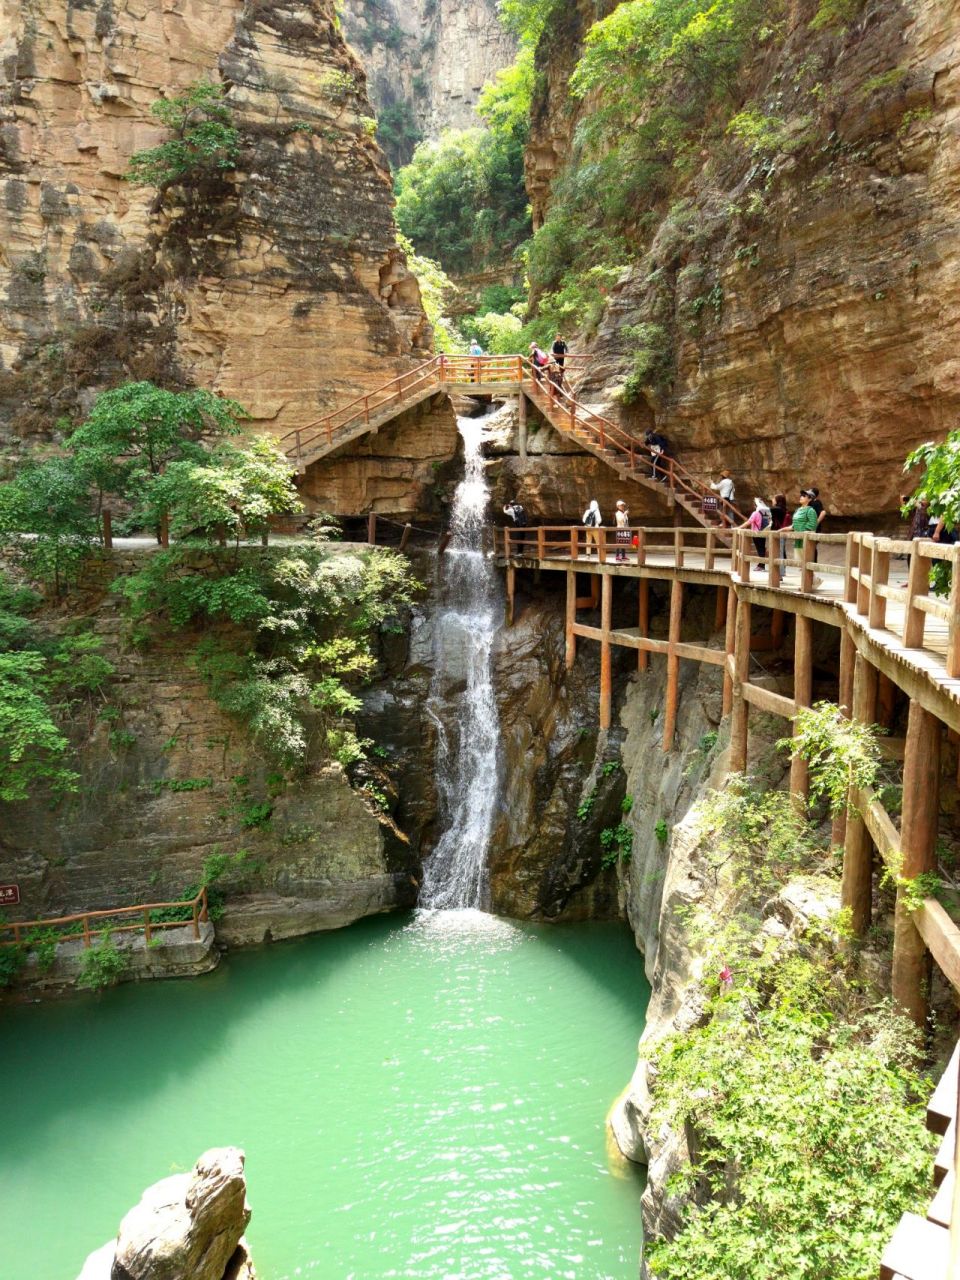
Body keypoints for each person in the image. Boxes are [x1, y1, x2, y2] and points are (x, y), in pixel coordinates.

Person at [791, 491, 820, 583]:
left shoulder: (811, 510)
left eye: (804, 496)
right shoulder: (798, 510)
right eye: (801, 495)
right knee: (800, 562)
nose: (801, 497)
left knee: (806, 561)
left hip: (806, 540)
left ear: (810, 499)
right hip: (798, 540)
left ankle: (808, 583)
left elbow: (812, 525)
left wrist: (801, 532)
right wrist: (783, 529)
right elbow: (794, 525)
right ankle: (813, 581)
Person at [739, 498, 771, 570]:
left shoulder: (755, 513)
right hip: (763, 533)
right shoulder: (765, 513)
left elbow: (749, 522)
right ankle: (762, 565)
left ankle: (761, 565)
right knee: (762, 549)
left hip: (756, 533)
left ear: (755, 506)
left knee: (760, 549)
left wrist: (739, 527)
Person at [805, 486, 826, 561]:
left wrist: (816, 523)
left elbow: (823, 512)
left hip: (815, 528)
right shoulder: (809, 503)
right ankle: (808, 563)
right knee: (808, 545)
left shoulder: (817, 502)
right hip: (808, 527)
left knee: (812, 545)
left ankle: (813, 563)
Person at [770, 493, 790, 567]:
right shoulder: (783, 509)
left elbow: (767, 510)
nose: (772, 500)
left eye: (774, 499)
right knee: (781, 549)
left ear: (777, 500)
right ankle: (782, 567)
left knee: (780, 550)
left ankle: (781, 568)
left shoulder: (778, 509)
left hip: (778, 531)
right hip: (781, 530)